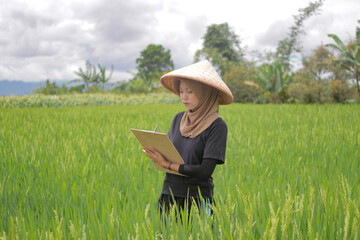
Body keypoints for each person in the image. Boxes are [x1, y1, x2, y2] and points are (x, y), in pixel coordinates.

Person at [142, 60, 233, 216]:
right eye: (181, 91)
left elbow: (205, 170)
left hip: (197, 201)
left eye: (190, 91)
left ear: (205, 93)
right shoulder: (178, 119)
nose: (183, 97)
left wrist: (168, 164)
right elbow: (173, 154)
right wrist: (157, 154)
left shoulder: (217, 126)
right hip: (169, 196)